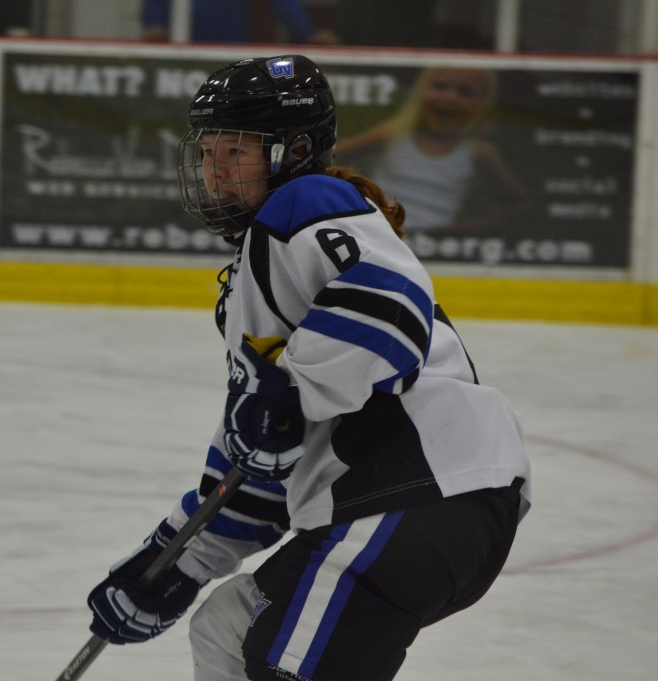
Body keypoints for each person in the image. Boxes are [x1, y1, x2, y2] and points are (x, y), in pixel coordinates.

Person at [85, 55, 531, 680]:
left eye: (234, 152)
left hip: (420, 492)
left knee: (287, 664)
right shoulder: (259, 269)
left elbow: (390, 301)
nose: (214, 170)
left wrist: (292, 393)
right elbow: (259, 465)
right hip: (418, 506)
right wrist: (172, 563)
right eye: (209, 151)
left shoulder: (306, 201)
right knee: (229, 629)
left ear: (292, 149)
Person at [333, 66, 527, 234]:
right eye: (440, 87)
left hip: (434, 243)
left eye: (465, 92)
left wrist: (471, 229)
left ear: (482, 105)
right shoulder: (394, 134)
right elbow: (331, 155)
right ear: (421, 91)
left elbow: (518, 202)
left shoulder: (478, 152)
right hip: (380, 233)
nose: (450, 97)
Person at [141, 0, 337, 44]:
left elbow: (282, 2)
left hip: (230, 52)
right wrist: (155, 25)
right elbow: (155, 6)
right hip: (182, 55)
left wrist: (308, 33)